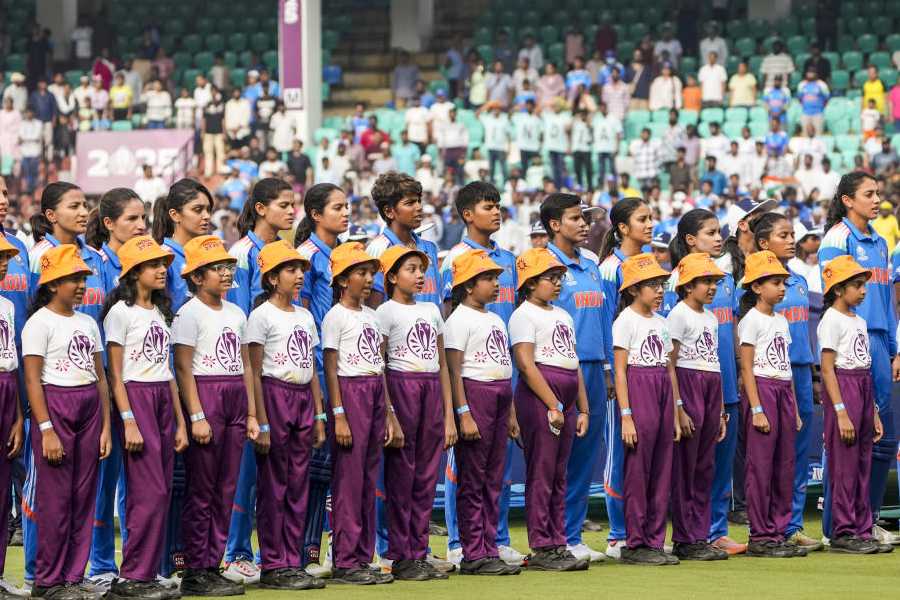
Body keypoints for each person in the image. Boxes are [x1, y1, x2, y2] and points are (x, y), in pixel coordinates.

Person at [438, 182, 524, 568]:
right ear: (468, 214)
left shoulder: (505, 258)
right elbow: (446, 332)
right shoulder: (455, 259)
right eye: (489, 206)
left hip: (500, 375)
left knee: (495, 472)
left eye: (499, 205)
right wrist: (458, 407)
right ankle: (463, 544)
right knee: (469, 472)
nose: (497, 212)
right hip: (471, 381)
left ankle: (492, 540)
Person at [101, 236, 188, 599]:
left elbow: (165, 369)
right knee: (145, 492)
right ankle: (133, 577)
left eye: (164, 263)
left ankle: (147, 573)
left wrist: (181, 420)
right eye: (153, 264)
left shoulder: (158, 312)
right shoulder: (120, 313)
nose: (162, 270)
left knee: (162, 490)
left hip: (161, 398)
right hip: (135, 398)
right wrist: (129, 420)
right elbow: (115, 375)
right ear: (134, 272)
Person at [23, 244, 111, 598]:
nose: (80, 285)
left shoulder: (88, 322)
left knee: (83, 498)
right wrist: (46, 430)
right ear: (52, 283)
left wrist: (105, 426)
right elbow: (32, 380)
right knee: (56, 500)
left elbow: (101, 376)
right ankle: (48, 581)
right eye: (73, 278)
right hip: (55, 405)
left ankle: (74, 575)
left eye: (82, 278)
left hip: (89, 405)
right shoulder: (38, 323)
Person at [218, 178, 296, 583]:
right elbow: (237, 318)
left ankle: (276, 552)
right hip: (252, 368)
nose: (291, 211)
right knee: (244, 469)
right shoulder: (242, 253)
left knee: (278, 471)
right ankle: (235, 553)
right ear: (261, 208)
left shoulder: (285, 252)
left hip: (284, 372)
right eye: (284, 204)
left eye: (293, 204)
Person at [171, 235, 256, 596]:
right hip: (207, 394)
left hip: (235, 394)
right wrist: (197, 414)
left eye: (227, 267)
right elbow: (183, 368)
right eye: (216, 268)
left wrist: (252, 413)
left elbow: (246, 365)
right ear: (196, 276)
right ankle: (194, 569)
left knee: (225, 488)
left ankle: (212, 563)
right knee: (202, 489)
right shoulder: (188, 313)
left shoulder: (236, 313)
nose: (225, 273)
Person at [821, 172, 899, 546]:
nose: (876, 199)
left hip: (881, 341)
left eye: (878, 193)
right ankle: (836, 523)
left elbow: (884, 300)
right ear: (848, 200)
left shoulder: (881, 242)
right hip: (853, 342)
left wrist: (894, 348)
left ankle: (866, 519)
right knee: (847, 437)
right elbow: (833, 293)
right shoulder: (838, 238)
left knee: (882, 438)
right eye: (869, 194)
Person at [245, 240, 328, 589]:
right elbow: (253, 368)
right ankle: (273, 563)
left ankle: (293, 560)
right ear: (272, 277)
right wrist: (260, 419)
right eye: (291, 270)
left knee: (299, 483)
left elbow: (308, 365)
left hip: (302, 397)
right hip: (274, 394)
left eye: (300, 270)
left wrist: (320, 415)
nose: (298, 276)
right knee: (273, 484)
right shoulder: (261, 316)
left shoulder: (306, 316)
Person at [662, 209, 744, 555]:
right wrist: (678, 402)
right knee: (689, 464)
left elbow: (728, 334)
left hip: (718, 381)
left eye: (719, 231)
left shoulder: (721, 285)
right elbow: (669, 352)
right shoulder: (675, 291)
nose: (719, 237)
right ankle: (688, 535)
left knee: (712, 464)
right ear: (691, 239)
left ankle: (711, 531)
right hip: (688, 384)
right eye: (710, 232)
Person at [376, 246, 455, 581]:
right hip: (401, 384)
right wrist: (389, 411)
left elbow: (441, 365)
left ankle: (419, 551)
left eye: (421, 270)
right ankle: (399, 554)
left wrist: (449, 414)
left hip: (430, 390)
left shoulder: (431, 310)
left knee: (425, 476)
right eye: (411, 269)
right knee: (402, 476)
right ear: (393, 276)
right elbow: (378, 364)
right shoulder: (384, 312)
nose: (420, 275)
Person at [321, 242, 398, 585]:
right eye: (360, 273)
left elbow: (379, 366)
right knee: (348, 481)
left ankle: (363, 557)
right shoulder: (335, 317)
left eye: (370, 273)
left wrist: (389, 411)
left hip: (373, 392)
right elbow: (331, 368)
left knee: (368, 480)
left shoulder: (372, 316)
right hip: (349, 393)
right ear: (341, 279)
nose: (368, 280)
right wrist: (338, 413)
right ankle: (346, 560)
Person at [509, 248, 589, 572]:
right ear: (530, 283)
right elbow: (527, 365)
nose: (557, 283)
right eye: (549, 278)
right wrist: (553, 404)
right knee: (541, 473)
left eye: (558, 278)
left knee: (559, 474)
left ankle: (558, 541)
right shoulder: (523, 315)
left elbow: (574, 361)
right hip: (541, 398)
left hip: (566, 396)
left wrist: (583, 407)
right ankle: (542, 545)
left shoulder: (563, 315)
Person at [538, 195, 608, 563]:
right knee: (554, 459)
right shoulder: (541, 266)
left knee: (582, 457)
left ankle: (572, 533)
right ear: (553, 224)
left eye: (585, 218)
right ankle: (549, 535)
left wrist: (608, 367)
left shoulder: (592, 265)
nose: (583, 224)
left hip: (593, 368)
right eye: (575, 218)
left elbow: (604, 319)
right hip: (557, 370)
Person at [749, 213, 822, 553]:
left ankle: (790, 524)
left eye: (793, 234)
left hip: (798, 373)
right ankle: (764, 528)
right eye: (784, 234)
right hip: (766, 376)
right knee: (766, 456)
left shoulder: (800, 281)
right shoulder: (749, 284)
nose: (792, 239)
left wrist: (815, 372)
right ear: (764, 243)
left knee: (794, 453)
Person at [612, 252, 678, 566]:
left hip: (662, 388)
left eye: (661, 283)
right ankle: (636, 543)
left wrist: (676, 410)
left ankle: (654, 539)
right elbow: (620, 371)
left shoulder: (662, 322)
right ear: (634, 289)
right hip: (639, 385)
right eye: (651, 284)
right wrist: (626, 416)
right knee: (639, 469)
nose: (660, 289)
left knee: (662, 467)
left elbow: (668, 368)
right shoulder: (625, 320)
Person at [597, 197, 654, 559]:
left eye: (651, 218)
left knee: (647, 455)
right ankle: (618, 534)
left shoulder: (647, 263)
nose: (650, 224)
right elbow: (604, 321)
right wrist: (607, 367)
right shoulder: (609, 268)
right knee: (620, 452)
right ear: (621, 228)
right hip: (620, 370)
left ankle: (641, 531)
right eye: (642, 219)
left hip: (649, 371)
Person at [736, 250, 803, 559]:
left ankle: (777, 530)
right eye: (775, 282)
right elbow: (747, 367)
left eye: (783, 283)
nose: (781, 288)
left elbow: (785, 363)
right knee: (760, 466)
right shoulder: (751, 321)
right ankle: (760, 533)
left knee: (784, 464)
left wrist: (796, 409)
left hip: (782, 391)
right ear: (756, 287)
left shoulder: (782, 320)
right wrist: (757, 408)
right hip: (761, 388)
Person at [819, 257, 885, 554]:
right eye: (857, 286)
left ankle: (861, 527)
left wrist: (873, 412)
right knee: (844, 466)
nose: (863, 291)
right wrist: (841, 411)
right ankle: (843, 531)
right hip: (843, 387)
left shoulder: (859, 321)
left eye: (864, 285)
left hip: (862, 385)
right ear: (837, 289)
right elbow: (828, 368)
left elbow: (866, 366)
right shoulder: (830, 320)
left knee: (862, 463)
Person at [0, 233, 22, 597]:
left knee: (3, 492)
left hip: (7, 390)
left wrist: (18, 416)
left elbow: (13, 361)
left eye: (6, 257)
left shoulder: (7, 306)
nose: (5, 262)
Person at [797, 68, 829, 136]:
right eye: (809, 72)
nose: (810, 74)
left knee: (818, 135)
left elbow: (826, 99)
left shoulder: (822, 84)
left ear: (816, 74)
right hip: (805, 113)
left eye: (812, 72)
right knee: (805, 134)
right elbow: (800, 99)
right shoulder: (802, 85)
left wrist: (820, 108)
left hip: (818, 113)